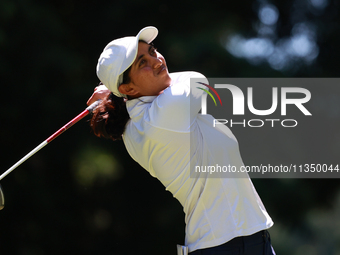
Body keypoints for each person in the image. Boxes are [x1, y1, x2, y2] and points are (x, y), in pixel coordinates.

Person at [87, 26, 275, 255]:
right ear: (128, 87)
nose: (156, 61)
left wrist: (116, 92)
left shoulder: (135, 126)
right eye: (141, 63)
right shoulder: (164, 114)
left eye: (152, 51)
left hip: (242, 241)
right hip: (226, 246)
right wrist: (113, 91)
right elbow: (199, 80)